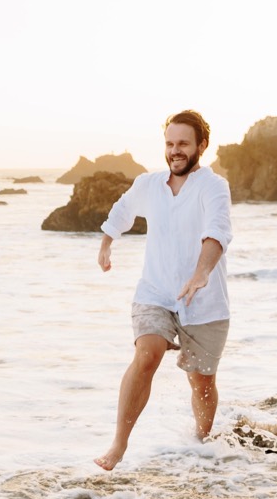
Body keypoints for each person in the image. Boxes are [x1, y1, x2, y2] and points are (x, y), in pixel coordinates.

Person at [95, 109, 233, 471]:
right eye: (170, 144)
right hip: (155, 291)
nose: (175, 151)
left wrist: (201, 273)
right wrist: (107, 242)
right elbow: (123, 211)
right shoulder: (148, 185)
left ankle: (201, 446)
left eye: (183, 143)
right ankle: (119, 445)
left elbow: (218, 230)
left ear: (201, 146)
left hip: (204, 300)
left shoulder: (213, 186)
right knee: (147, 355)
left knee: (202, 382)